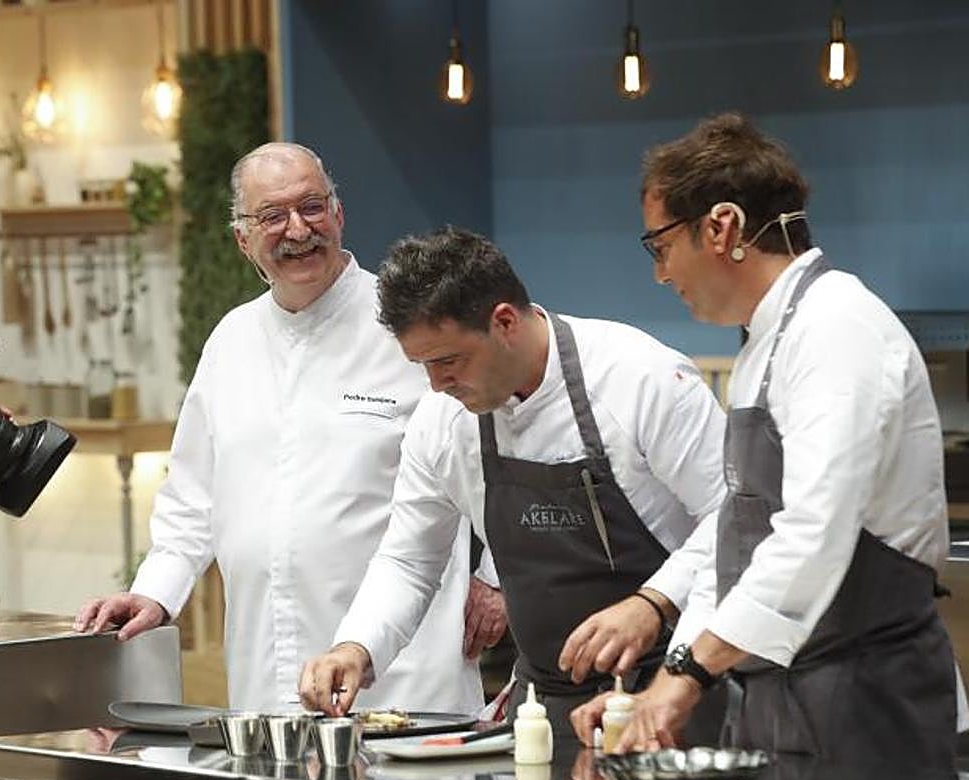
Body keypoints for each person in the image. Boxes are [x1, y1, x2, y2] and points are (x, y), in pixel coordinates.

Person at [73, 144, 490, 780]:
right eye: (272, 216)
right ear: (244, 240)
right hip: (271, 694)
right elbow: (191, 499)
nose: (298, 229)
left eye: (311, 206)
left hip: (407, 682)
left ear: (339, 213)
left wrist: (495, 578)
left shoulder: (408, 327)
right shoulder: (230, 342)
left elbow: (494, 452)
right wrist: (154, 593)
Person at [571, 112, 961, 768]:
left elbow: (812, 534)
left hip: (870, 703)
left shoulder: (836, 326)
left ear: (721, 227)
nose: (661, 274)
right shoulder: (764, 343)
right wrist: (669, 677)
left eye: (660, 246)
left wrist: (686, 676)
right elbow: (737, 541)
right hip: (784, 701)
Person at [298, 226, 729, 738]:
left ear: (504, 322)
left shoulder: (640, 379)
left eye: (448, 361)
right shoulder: (443, 420)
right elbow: (410, 559)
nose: (436, 384)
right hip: (543, 708)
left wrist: (653, 602)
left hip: (674, 690)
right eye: (422, 365)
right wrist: (355, 646)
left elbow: (734, 518)